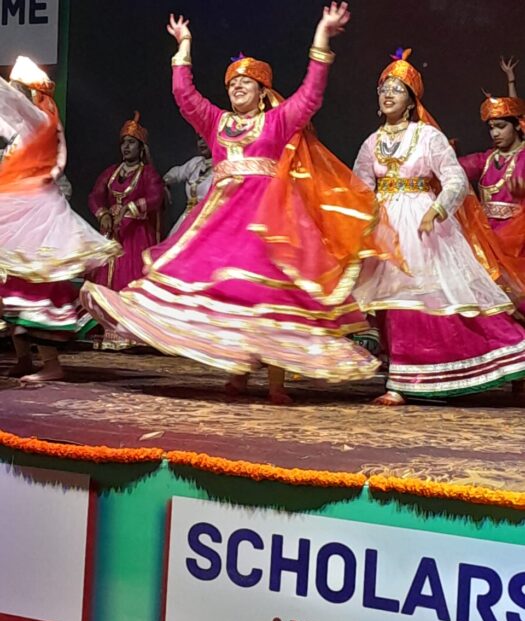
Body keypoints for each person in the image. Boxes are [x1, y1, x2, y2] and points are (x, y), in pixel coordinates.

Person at [81, 4, 398, 404]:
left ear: (263, 91)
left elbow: (311, 94)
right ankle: (237, 375)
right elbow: (184, 96)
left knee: (271, 297)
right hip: (222, 222)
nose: (238, 87)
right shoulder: (216, 122)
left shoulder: (277, 121)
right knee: (233, 294)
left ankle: (277, 383)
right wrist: (184, 46)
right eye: (232, 83)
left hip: (268, 222)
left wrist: (322, 34)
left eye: (247, 82)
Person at [352, 49, 525, 405]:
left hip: (421, 224)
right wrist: (362, 221)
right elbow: (361, 187)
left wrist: (437, 210)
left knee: (427, 300)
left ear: (412, 100)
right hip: (384, 227)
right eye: (384, 88)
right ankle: (400, 377)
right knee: (389, 304)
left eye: (397, 89)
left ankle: (504, 357)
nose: (388, 94)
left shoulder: (428, 137)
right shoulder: (371, 143)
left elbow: (456, 180)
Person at [0, 57, 119, 381]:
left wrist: (6, 90)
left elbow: (10, 106)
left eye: (20, 89)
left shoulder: (41, 121)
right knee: (14, 284)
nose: (15, 93)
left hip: (35, 215)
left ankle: (51, 364)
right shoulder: (28, 128)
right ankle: (24, 358)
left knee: (35, 285)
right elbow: (7, 118)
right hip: (20, 211)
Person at [87, 112, 164, 349]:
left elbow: (156, 197)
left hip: (135, 237)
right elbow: (95, 196)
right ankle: (105, 330)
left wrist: (130, 209)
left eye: (131, 143)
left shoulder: (147, 173)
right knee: (103, 279)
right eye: (123, 143)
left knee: (128, 279)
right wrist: (103, 214)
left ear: (141, 148)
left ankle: (129, 333)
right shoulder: (111, 172)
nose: (126, 147)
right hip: (111, 234)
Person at [458, 58, 525, 315]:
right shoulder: (486, 159)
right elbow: (455, 170)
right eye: (491, 128)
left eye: (501, 126)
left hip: (518, 242)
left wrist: (511, 81)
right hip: (487, 239)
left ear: (517, 126)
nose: (495, 133)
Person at [164, 135, 213, 235]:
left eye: (206, 137)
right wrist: (163, 183)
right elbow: (176, 173)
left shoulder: (223, 166)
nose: (202, 142)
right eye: (199, 139)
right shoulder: (196, 163)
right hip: (188, 217)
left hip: (209, 219)